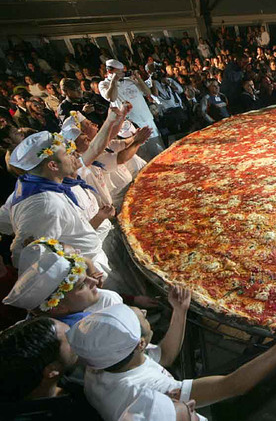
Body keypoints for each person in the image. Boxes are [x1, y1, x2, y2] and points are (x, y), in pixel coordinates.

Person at [68, 300, 276, 421]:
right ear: (140, 345)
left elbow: (166, 357)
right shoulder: (149, 394)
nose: (145, 311)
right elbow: (234, 385)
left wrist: (180, 310)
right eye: (141, 318)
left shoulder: (102, 361)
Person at [0, 105, 126, 273]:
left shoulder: (33, 185)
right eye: (66, 154)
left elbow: (4, 222)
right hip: (88, 271)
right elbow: (26, 258)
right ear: (52, 165)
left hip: (97, 253)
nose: (73, 155)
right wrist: (80, 274)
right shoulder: (44, 204)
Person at [3, 238, 123, 326]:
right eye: (81, 286)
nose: (93, 281)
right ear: (59, 308)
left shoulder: (101, 299)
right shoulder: (86, 333)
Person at [99, 60, 163, 161]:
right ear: (110, 71)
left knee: (160, 151)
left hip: (146, 119)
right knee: (143, 155)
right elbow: (111, 97)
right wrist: (114, 81)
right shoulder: (104, 84)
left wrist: (137, 78)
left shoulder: (129, 80)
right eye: (119, 71)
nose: (123, 73)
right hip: (132, 126)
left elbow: (147, 92)